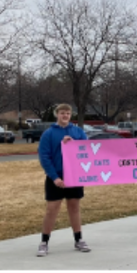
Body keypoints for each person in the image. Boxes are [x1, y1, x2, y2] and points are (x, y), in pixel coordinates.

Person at [36, 103, 91, 257]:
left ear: (70, 115)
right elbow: (45, 157)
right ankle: (44, 242)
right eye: (62, 113)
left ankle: (78, 239)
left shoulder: (78, 132)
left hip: (74, 176)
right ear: (57, 114)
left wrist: (74, 143)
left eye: (67, 113)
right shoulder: (48, 134)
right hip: (56, 177)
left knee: (74, 207)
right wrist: (55, 177)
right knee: (52, 209)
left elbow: (87, 150)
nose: (65, 115)